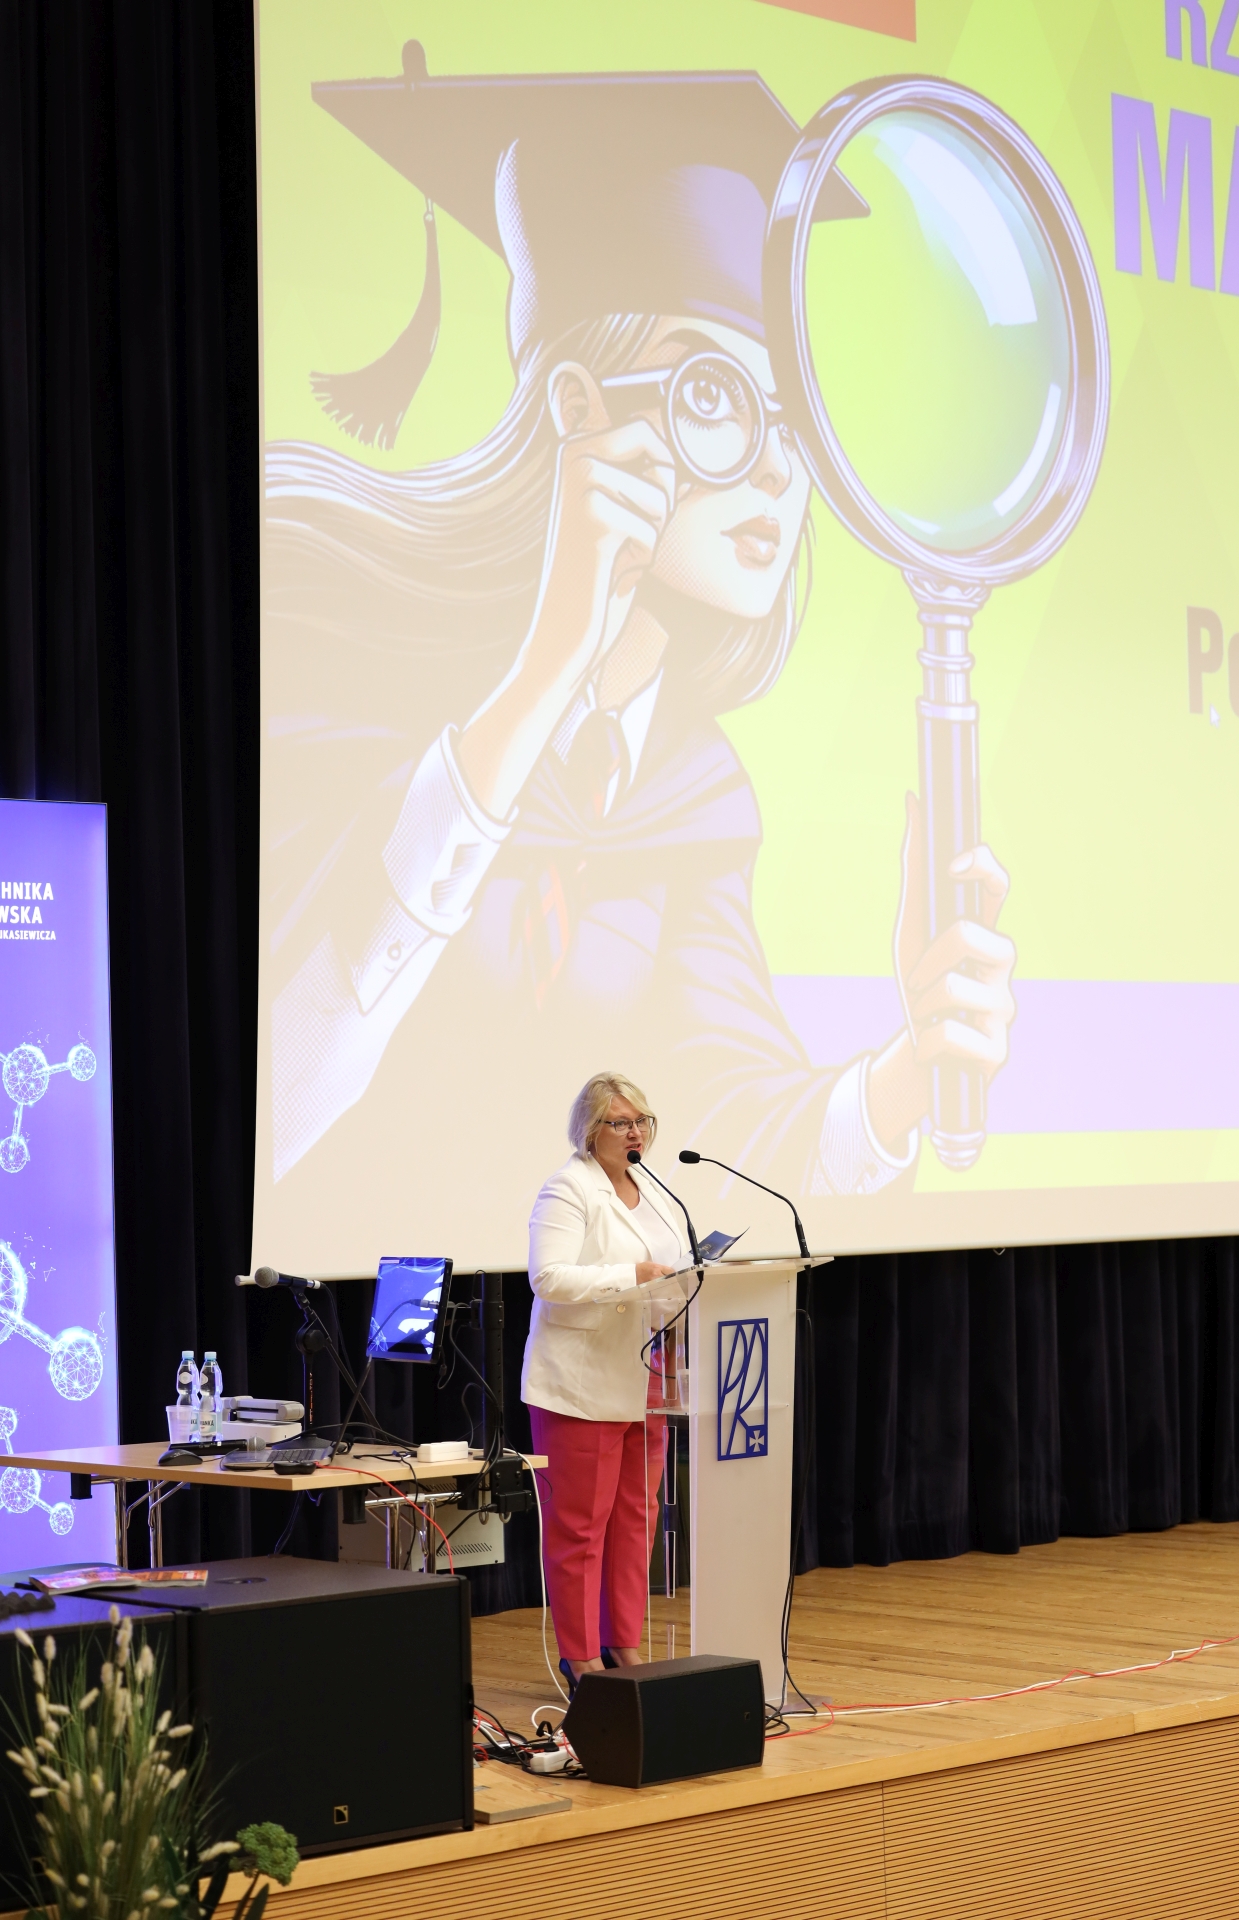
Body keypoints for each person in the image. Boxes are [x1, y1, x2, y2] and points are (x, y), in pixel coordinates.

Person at [261, 62, 1016, 1259]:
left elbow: (727, 1131)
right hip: (358, 1311)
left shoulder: (690, 798)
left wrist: (906, 1073)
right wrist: (545, 669)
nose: (773, 468)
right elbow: (275, 1083)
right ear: (577, 407)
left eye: (793, 422)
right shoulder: (343, 646)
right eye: (716, 398)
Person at [523, 1071, 685, 1686]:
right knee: (582, 1527)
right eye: (621, 1122)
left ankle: (623, 1643)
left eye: (642, 1121)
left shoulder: (656, 1190)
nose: (635, 1132)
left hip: (648, 1379)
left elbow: (670, 1271)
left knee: (637, 1519)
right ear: (591, 1131)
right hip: (582, 1384)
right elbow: (549, 1278)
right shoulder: (568, 1189)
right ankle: (582, 1654)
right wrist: (630, 1276)